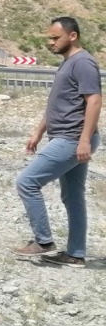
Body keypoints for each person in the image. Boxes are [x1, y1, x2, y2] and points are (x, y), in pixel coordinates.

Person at [13, 16, 100, 266]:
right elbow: (58, 105)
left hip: (72, 139)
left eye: (55, 38)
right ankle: (75, 254)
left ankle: (43, 240)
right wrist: (38, 132)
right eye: (49, 38)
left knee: (27, 182)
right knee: (73, 197)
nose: (50, 43)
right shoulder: (68, 63)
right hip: (69, 137)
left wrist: (84, 141)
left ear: (72, 36)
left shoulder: (83, 63)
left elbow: (94, 101)